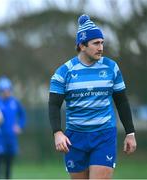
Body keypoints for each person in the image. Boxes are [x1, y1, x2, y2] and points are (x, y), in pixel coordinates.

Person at [49, 14, 137, 179]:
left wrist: (130, 133)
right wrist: (57, 132)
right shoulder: (63, 72)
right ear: (82, 45)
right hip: (75, 138)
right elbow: (53, 105)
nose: (101, 47)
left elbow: (122, 101)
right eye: (96, 43)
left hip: (104, 135)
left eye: (102, 42)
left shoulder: (112, 68)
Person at [0, 76, 26, 179]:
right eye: (4, 90)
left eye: (8, 90)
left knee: (8, 164)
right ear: (0, 91)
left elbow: (23, 115)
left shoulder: (14, 102)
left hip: (11, 138)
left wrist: (19, 126)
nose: (6, 92)